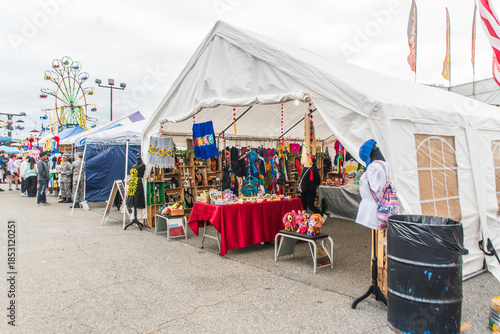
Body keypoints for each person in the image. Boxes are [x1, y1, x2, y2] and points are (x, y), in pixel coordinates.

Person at [355, 139, 389, 229]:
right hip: (381, 207)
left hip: (374, 212)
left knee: (378, 236)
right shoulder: (385, 165)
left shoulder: (375, 167)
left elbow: (377, 189)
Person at [298, 157, 327, 222]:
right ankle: (304, 218)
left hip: (310, 190)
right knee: (304, 205)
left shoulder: (313, 169)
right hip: (304, 189)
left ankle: (322, 215)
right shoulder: (305, 168)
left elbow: (318, 180)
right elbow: (317, 180)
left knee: (310, 205)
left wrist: (314, 186)